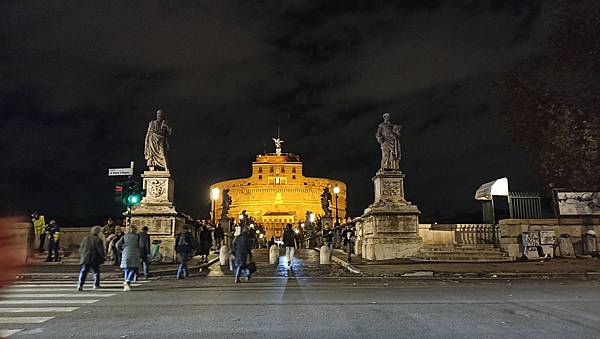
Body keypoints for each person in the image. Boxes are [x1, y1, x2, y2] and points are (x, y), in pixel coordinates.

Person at [77, 226, 105, 291]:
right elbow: (100, 250)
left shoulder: (85, 238)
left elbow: (81, 248)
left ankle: (80, 284)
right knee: (96, 271)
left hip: (85, 257)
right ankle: (96, 284)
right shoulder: (98, 240)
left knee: (84, 271)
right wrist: (103, 257)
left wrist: (82, 255)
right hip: (95, 258)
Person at [116, 225, 141, 291]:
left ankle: (126, 284)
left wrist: (121, 250)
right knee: (133, 268)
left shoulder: (124, 236)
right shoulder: (137, 236)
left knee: (126, 269)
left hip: (125, 253)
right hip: (134, 253)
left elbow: (117, 244)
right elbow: (140, 245)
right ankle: (128, 280)